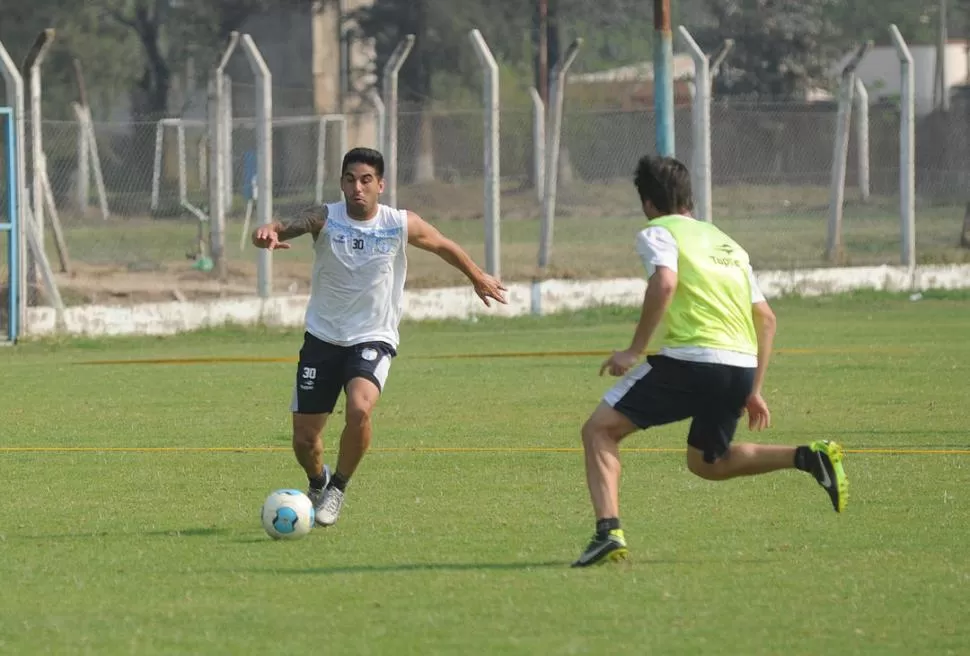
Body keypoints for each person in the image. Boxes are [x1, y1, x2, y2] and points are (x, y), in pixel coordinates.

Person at [572, 155, 849, 568]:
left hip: (692, 360)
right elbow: (767, 319)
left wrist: (633, 350)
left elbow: (664, 283)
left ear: (648, 202)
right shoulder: (727, 244)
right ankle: (808, 457)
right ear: (689, 200)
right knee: (708, 462)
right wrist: (754, 390)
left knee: (599, 431)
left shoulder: (658, 232)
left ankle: (607, 533)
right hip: (738, 366)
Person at [252, 147, 507, 527]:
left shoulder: (399, 223)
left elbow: (444, 245)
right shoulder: (325, 217)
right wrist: (267, 233)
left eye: (366, 180)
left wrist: (477, 276)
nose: (358, 187)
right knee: (305, 442)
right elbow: (284, 226)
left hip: (372, 336)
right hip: (322, 339)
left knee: (359, 408)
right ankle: (317, 481)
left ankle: (337, 488)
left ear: (380, 185)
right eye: (351, 179)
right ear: (341, 183)